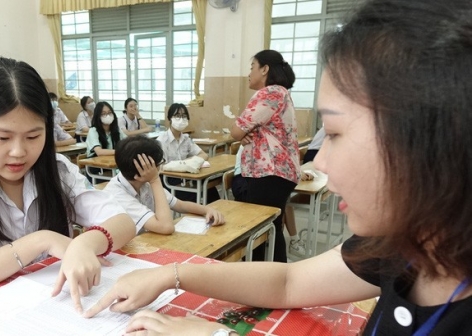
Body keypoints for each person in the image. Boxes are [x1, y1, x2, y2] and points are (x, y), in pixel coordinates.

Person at [85, 0, 472, 334]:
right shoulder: (401, 247)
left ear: (431, 140)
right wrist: (171, 275)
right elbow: (288, 281)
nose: (320, 159)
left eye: (334, 132)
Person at [0, 57, 136, 309]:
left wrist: (85, 243)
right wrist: (41, 241)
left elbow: (123, 222)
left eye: (33, 136)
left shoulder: (58, 171)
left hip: (59, 309)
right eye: (2, 137)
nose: (19, 151)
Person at [230, 50, 300, 263]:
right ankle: (277, 282)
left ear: (265, 69)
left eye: (252, 67)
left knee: (260, 233)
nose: (249, 73)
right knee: (272, 229)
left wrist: (242, 133)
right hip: (278, 174)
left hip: (267, 174)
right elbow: (250, 132)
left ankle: (262, 283)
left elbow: (236, 131)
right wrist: (245, 135)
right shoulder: (282, 93)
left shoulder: (269, 93)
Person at [105, 136, 224, 235]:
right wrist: (155, 180)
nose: (160, 167)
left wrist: (207, 209)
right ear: (145, 168)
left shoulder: (144, 182)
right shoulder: (117, 195)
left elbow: (180, 205)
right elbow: (166, 227)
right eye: (159, 163)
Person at [232, 145, 306, 257]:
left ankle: (290, 242)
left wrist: (298, 172)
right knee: (266, 218)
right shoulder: (256, 139)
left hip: (261, 179)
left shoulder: (273, 139)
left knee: (279, 209)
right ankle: (265, 257)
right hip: (244, 181)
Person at [157, 103, 220, 204]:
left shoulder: (186, 139)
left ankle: (216, 215)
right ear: (170, 118)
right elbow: (160, 168)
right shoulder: (162, 141)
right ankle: (201, 215)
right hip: (169, 181)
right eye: (177, 116)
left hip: (186, 178)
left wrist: (188, 162)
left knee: (210, 189)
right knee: (197, 197)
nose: (181, 119)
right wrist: (183, 165)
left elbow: (204, 154)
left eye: (184, 116)